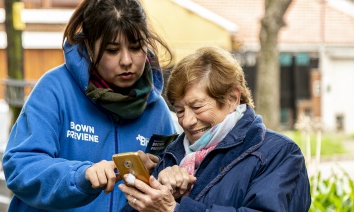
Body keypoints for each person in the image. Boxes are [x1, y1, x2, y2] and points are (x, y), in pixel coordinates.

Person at [2, 0, 178, 211]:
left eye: (135, 47)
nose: (126, 60)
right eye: (112, 50)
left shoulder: (157, 109)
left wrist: (160, 172)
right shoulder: (54, 89)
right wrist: (81, 176)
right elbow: (21, 167)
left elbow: (173, 181)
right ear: (89, 47)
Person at [119, 46, 311, 211]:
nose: (186, 121)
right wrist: (160, 190)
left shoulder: (279, 154)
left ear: (233, 98)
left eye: (197, 107)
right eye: (179, 110)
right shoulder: (171, 154)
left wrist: (174, 209)